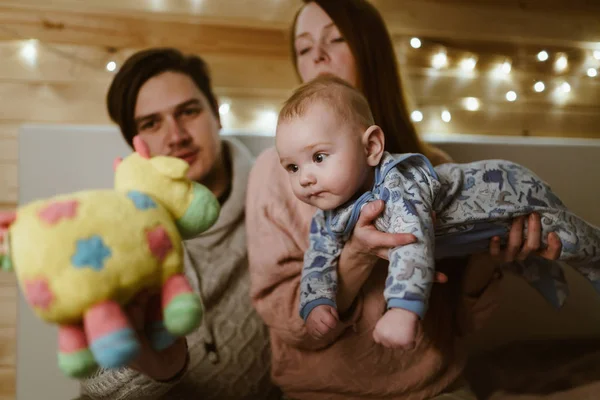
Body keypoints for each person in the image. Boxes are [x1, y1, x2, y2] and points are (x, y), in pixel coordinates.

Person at [246, 1, 563, 399]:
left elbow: (462, 325)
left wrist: (488, 256)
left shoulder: (432, 168)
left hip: (434, 389)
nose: (319, 56)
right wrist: (357, 257)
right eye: (304, 48)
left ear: (370, 51)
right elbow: (290, 322)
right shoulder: (276, 174)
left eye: (335, 40)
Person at [275, 74, 600, 350]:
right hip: (480, 234)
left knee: (571, 240)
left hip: (506, 193)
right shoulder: (326, 217)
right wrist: (315, 302)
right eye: (292, 166)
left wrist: (403, 309)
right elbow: (317, 260)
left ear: (371, 147)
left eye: (318, 157)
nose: (304, 177)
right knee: (551, 248)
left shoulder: (396, 182)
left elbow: (410, 239)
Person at [77, 48, 281, 400]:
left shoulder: (284, 196)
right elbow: (92, 387)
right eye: (151, 123)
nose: (176, 136)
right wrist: (154, 369)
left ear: (216, 112)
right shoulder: (117, 233)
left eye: (188, 112)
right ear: (135, 144)